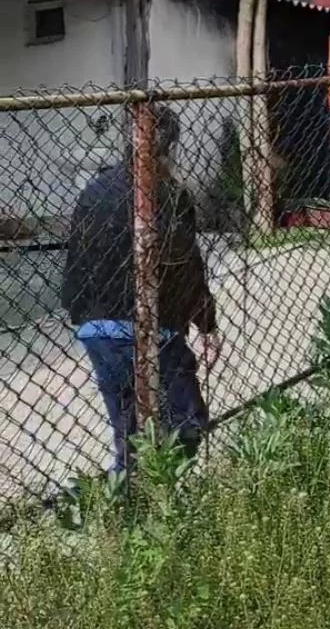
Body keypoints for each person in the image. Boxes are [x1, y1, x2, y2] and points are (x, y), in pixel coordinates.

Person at [61, 105, 221, 474]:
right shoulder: (169, 194)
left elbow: (75, 263)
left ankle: (128, 506)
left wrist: (82, 316)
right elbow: (187, 269)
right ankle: (151, 500)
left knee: (130, 434)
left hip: (97, 327)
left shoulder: (94, 190)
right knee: (188, 423)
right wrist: (206, 324)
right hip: (152, 327)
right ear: (170, 147)